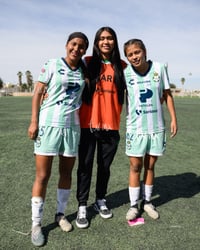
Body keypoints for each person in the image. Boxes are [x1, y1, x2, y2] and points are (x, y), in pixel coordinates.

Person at [28, 32, 89, 246]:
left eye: (81, 47)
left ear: (85, 50)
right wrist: (34, 121)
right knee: (43, 176)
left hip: (72, 129)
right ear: (66, 45)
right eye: (74, 44)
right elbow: (38, 93)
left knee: (66, 173)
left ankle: (60, 214)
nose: (76, 49)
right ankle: (36, 224)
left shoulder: (84, 70)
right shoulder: (52, 64)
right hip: (48, 126)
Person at [76, 27, 127, 228]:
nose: (106, 41)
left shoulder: (122, 66)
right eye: (102, 38)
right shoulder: (87, 62)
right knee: (85, 167)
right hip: (88, 124)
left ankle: (100, 200)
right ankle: (82, 205)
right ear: (97, 42)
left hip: (111, 126)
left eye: (110, 38)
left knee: (104, 168)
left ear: (115, 42)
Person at [123, 39, 177, 221]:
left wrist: (173, 119)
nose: (134, 57)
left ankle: (147, 202)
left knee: (150, 166)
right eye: (130, 54)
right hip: (135, 128)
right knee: (135, 166)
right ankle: (133, 205)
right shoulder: (125, 73)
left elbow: (167, 95)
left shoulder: (159, 68)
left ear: (144, 51)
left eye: (137, 52)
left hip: (156, 127)